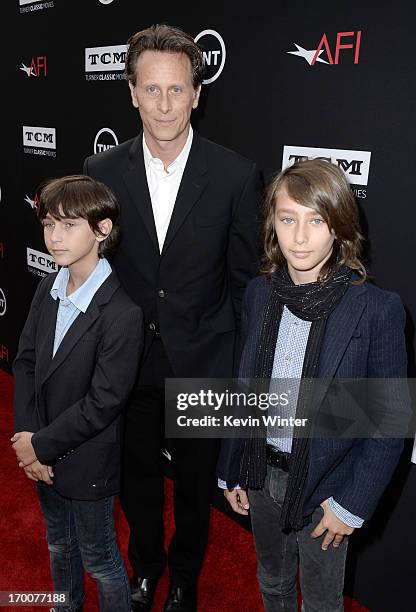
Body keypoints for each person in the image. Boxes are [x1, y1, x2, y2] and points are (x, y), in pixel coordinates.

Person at [83, 23, 262, 612]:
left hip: (203, 361)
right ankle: (146, 569)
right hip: (126, 363)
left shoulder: (237, 176)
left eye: (177, 90)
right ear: (131, 91)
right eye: (152, 89)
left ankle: (184, 577)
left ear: (197, 93)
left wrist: (236, 374)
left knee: (192, 489)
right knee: (135, 484)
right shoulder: (101, 170)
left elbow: (244, 285)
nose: (164, 104)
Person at [217, 159, 411, 611]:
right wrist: (233, 465)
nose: (299, 237)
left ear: (340, 226)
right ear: (272, 224)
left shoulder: (376, 310)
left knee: (323, 602)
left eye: (316, 220)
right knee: (273, 580)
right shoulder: (259, 293)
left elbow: (391, 420)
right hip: (261, 474)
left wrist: (349, 504)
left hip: (328, 486)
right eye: (287, 219)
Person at [12, 175, 144, 612]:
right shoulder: (46, 289)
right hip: (41, 450)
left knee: (100, 559)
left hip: (87, 460)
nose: (54, 237)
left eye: (69, 225)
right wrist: (29, 440)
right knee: (58, 546)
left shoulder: (122, 314)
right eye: (49, 224)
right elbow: (25, 362)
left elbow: (104, 402)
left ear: (103, 229)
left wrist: (41, 446)